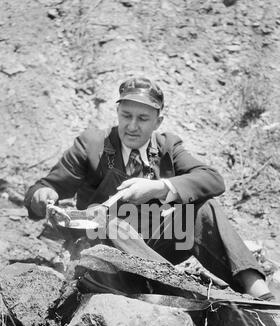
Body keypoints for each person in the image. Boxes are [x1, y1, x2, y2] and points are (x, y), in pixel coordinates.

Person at [24, 76, 274, 301]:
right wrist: (43, 197)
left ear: (158, 121)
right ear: (118, 112)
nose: (132, 126)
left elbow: (213, 179)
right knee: (111, 223)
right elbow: (44, 187)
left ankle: (260, 294)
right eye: (126, 116)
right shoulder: (91, 146)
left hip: (154, 251)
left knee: (203, 208)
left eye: (142, 119)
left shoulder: (167, 147)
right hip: (102, 253)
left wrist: (158, 187)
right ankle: (180, 293)